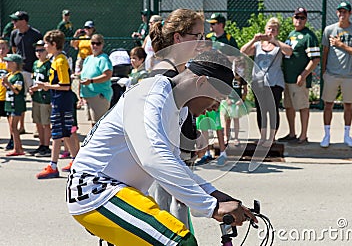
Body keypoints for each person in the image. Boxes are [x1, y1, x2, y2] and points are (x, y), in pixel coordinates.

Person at [66, 49, 257, 246]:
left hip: (123, 191)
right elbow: (154, 158)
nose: (216, 107)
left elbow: (174, 164)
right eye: (218, 98)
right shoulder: (149, 94)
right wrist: (211, 207)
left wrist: (215, 194)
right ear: (201, 83)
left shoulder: (180, 110)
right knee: (182, 242)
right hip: (98, 191)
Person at [149, 8, 206, 227]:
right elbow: (161, 125)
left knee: (179, 208)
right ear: (178, 38)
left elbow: (182, 114)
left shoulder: (180, 70)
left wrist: (195, 135)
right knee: (165, 210)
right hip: (165, 157)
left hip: (178, 153)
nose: (201, 41)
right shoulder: (164, 75)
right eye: (196, 36)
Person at [240, 17, 293, 146]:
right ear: (265, 29)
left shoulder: (279, 45)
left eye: (274, 30)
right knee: (261, 110)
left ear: (277, 32)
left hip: (274, 81)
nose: (270, 32)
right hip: (259, 82)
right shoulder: (258, 45)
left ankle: (272, 137)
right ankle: (262, 136)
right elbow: (243, 51)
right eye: (269, 29)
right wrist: (254, 39)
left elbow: (289, 51)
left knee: (272, 109)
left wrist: (275, 41)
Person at [320, 1, 352, 148]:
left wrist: (342, 45)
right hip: (332, 74)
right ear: (336, 13)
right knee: (328, 105)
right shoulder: (329, 30)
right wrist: (324, 71)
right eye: (340, 11)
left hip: (349, 75)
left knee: (348, 105)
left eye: (345, 12)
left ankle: (347, 135)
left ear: (350, 13)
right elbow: (325, 52)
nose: (342, 14)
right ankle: (327, 135)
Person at [196, 12, 239, 165]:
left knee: (216, 123)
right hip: (202, 93)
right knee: (203, 124)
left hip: (214, 91)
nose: (211, 26)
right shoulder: (204, 48)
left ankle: (223, 152)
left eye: (214, 23)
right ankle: (207, 152)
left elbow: (235, 59)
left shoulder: (226, 42)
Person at [35, 30, 78, 179]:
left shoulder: (60, 61)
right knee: (66, 132)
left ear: (54, 44)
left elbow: (65, 85)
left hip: (62, 100)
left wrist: (45, 86)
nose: (45, 46)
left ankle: (53, 166)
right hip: (59, 99)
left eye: (47, 44)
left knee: (57, 133)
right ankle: (75, 161)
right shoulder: (56, 59)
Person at [279, 7, 321, 145]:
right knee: (289, 107)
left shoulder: (309, 36)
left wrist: (303, 75)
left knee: (302, 107)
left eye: (302, 18)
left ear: (306, 20)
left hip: (299, 80)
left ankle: (303, 135)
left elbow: (315, 59)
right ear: (293, 19)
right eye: (297, 17)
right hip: (287, 78)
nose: (299, 20)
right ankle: (292, 133)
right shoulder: (291, 34)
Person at [9, 11, 43, 134]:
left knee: (35, 98)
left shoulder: (35, 34)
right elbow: (14, 50)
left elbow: (40, 52)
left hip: (31, 70)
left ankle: (37, 126)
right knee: (19, 98)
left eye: (16, 20)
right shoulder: (14, 33)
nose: (13, 23)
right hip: (20, 71)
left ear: (24, 21)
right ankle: (21, 126)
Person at [79, 34, 113, 126]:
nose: (95, 46)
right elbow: (84, 73)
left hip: (99, 95)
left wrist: (91, 81)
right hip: (88, 95)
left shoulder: (104, 59)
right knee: (93, 123)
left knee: (98, 125)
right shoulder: (88, 59)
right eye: (93, 43)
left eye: (98, 43)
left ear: (102, 45)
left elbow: (107, 75)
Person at [28, 40, 52, 157]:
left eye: (41, 50)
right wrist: (32, 88)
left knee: (45, 123)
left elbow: (49, 81)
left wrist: (38, 87)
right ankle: (41, 144)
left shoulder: (48, 64)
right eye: (37, 50)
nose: (38, 53)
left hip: (44, 97)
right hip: (36, 97)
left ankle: (46, 146)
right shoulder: (35, 63)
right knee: (37, 122)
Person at [220, 57, 249, 146]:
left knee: (236, 120)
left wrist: (242, 99)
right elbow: (225, 88)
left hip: (237, 102)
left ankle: (236, 138)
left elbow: (245, 90)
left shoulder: (243, 79)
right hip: (228, 100)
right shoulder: (230, 76)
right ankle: (226, 136)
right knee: (227, 120)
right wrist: (227, 98)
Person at [2, 54, 26, 156]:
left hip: (16, 104)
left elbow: (17, 90)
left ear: (15, 64)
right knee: (12, 127)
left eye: (9, 62)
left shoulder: (18, 76)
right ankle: (18, 146)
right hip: (10, 103)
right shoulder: (10, 75)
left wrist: (8, 84)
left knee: (14, 127)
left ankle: (17, 149)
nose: (6, 64)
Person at [0, 40, 12, 150]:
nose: (1, 51)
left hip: (8, 96)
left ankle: (12, 140)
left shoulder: (10, 63)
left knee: (11, 120)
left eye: (3, 48)